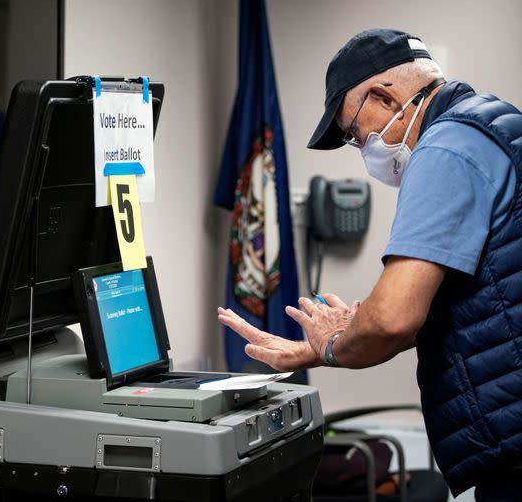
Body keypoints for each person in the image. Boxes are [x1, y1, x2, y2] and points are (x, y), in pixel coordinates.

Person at [217, 29, 522, 500]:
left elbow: (393, 319)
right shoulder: (497, 123)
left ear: (383, 95)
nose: (364, 148)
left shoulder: (445, 148)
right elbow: (487, 300)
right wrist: (327, 345)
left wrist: (339, 344)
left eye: (356, 134)